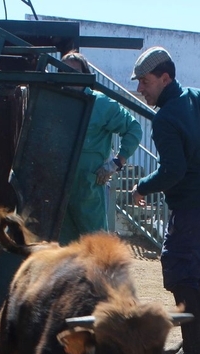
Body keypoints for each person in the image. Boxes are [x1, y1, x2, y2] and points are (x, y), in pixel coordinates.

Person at [130, 47, 200, 354]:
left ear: (165, 78)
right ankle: (199, 343)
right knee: (193, 274)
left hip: (191, 209)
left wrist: (141, 186)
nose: (140, 89)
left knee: (179, 270)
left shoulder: (165, 118)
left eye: (145, 82)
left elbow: (172, 171)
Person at [58, 52, 143, 245]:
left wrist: (116, 163)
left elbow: (133, 129)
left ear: (85, 74)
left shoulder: (101, 103)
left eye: (75, 71)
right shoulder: (55, 102)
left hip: (89, 186)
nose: (70, 76)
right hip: (59, 185)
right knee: (63, 248)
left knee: (95, 245)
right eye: (64, 71)